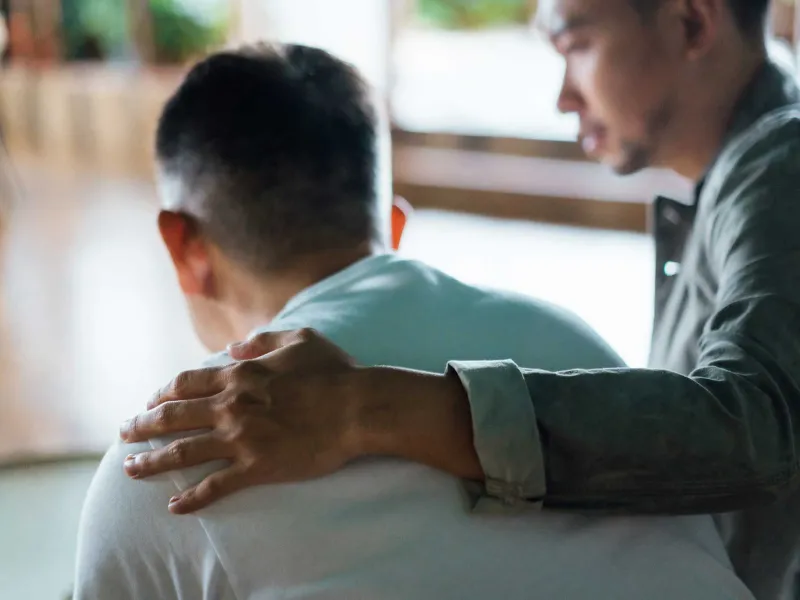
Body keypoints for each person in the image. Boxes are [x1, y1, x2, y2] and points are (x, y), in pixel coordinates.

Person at [122, 4, 800, 600]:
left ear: (691, 21)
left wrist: (361, 408)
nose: (564, 96)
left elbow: (760, 427)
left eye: (576, 44)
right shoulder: (733, 191)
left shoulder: (784, 161)